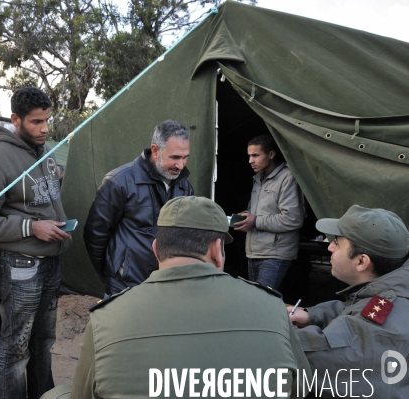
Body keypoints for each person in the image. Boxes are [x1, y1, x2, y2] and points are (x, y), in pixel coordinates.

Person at [43, 196, 311, 399]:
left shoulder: (107, 317)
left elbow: (83, 394)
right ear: (218, 250)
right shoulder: (271, 306)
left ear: (156, 249)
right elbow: (301, 387)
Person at [0, 87, 72, 399]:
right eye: (37, 122)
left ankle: (44, 394)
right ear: (16, 119)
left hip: (51, 262)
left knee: (43, 341)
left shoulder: (45, 149)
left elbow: (37, 196)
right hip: (21, 266)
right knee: (15, 346)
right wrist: (31, 226)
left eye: (48, 120)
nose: (45, 129)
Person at [288, 205, 409, 397]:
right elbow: (361, 308)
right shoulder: (393, 292)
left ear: (361, 262)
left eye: (337, 242)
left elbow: (296, 359)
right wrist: (313, 315)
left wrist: (271, 328)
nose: (329, 247)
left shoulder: (380, 329)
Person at [83, 120, 194, 296]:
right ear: (155, 151)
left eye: (185, 157)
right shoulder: (118, 181)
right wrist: (112, 273)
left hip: (167, 285)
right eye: (175, 157)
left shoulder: (184, 187)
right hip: (125, 287)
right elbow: (95, 233)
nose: (180, 165)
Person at [234, 135, 304, 290]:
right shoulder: (258, 178)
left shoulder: (288, 178)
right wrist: (247, 216)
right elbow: (260, 212)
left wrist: (255, 220)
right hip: (254, 252)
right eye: (249, 156)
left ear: (271, 154)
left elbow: (293, 218)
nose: (250, 161)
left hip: (275, 254)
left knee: (261, 301)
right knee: (255, 298)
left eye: (255, 155)